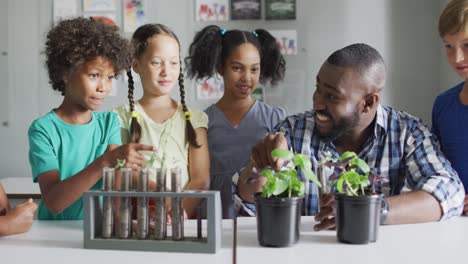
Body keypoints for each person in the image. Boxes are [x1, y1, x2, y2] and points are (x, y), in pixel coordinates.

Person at [239, 43, 465, 229]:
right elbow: (247, 197)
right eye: (318, 88)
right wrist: (261, 166)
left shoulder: (407, 133)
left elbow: (449, 191)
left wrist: (370, 210)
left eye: (332, 96)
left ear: (368, 103)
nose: (317, 102)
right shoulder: (292, 131)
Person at [28, 17, 155, 220]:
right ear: (66, 73)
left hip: (97, 230)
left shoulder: (109, 123)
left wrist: (161, 196)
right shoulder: (43, 129)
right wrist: (105, 161)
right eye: (95, 75)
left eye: (110, 77)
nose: (103, 87)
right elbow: (53, 202)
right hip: (53, 234)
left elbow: (117, 183)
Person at [185, 25, 287, 218]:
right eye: (237, 68)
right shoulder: (202, 122)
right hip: (213, 221)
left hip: (260, 222)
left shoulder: (276, 118)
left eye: (254, 69)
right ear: (220, 67)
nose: (247, 78)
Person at [114, 24, 209, 219]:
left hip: (181, 218)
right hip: (136, 219)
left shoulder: (194, 117)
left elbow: (200, 179)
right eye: (157, 62)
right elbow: (119, 170)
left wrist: (178, 211)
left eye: (174, 63)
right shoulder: (120, 117)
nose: (166, 71)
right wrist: (161, 196)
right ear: (136, 65)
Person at [432, 0, 468, 216]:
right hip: (453, 228)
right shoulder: (443, 105)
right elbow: (437, 172)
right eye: (448, 46)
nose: (457, 58)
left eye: (467, 45)